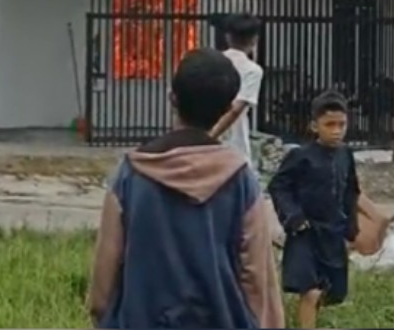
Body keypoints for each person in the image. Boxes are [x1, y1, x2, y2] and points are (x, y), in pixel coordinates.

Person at [87, 48, 285, 329]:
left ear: (172, 98)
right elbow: (257, 280)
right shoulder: (240, 180)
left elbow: (102, 288)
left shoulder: (131, 174)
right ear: (227, 109)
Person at [268, 91, 361, 329]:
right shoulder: (301, 156)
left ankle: (311, 316)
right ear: (314, 125)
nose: (336, 130)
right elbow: (279, 186)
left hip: (333, 232)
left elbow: (351, 191)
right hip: (306, 232)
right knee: (309, 290)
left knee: (335, 291)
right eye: (329, 124)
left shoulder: (345, 155)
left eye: (341, 124)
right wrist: (293, 216)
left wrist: (352, 225)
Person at [209, 13, 264, 167]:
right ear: (255, 39)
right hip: (234, 140)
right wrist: (212, 136)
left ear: (228, 37)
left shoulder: (212, 62)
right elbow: (235, 110)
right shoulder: (252, 70)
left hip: (204, 129)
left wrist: (205, 138)